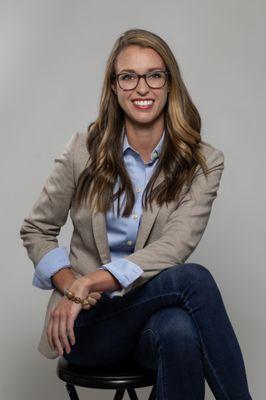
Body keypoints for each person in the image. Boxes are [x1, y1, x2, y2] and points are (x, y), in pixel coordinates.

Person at [20, 28, 253, 399]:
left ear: (169, 83)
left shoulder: (203, 163)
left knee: (177, 328)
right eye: (128, 76)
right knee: (193, 280)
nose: (141, 88)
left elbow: (174, 246)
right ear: (114, 86)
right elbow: (36, 229)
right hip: (88, 326)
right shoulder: (84, 150)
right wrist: (70, 284)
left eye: (154, 75)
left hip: (148, 327)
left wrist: (91, 279)